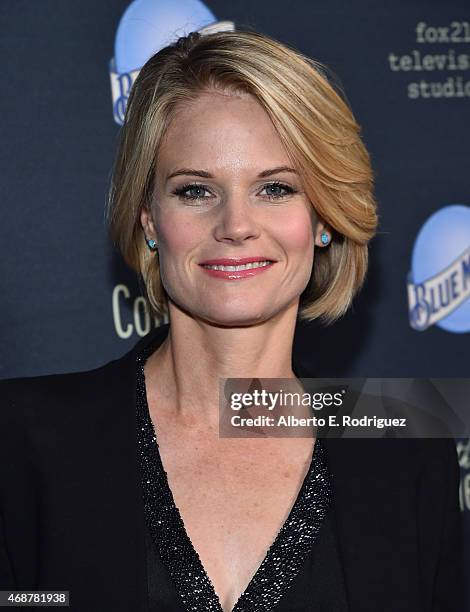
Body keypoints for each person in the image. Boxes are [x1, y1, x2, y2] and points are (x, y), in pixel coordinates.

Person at [0, 30, 463, 612]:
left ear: (323, 217)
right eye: (195, 190)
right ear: (148, 219)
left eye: (274, 188)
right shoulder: (20, 443)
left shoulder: (408, 445)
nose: (235, 225)